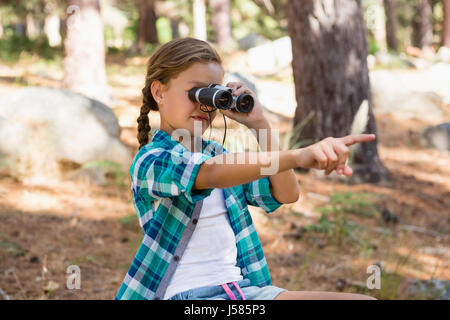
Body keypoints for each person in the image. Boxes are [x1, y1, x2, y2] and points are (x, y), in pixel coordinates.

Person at [115, 37, 376, 300]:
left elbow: (286, 193)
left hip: (243, 292)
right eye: (195, 92)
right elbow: (209, 173)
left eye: (213, 95)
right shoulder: (151, 160)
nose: (205, 106)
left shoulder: (220, 156)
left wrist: (259, 125)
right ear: (159, 92)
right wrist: (299, 156)